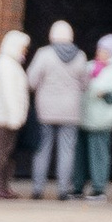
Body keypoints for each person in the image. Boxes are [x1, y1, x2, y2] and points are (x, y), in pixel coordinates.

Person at [26, 17, 88, 201]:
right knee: (67, 150)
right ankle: (63, 190)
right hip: (70, 110)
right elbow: (85, 83)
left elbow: (31, 80)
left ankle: (38, 189)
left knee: (42, 148)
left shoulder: (44, 54)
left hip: (45, 109)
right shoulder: (81, 56)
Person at [79, 32, 112, 198]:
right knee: (79, 156)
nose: (99, 53)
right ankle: (77, 186)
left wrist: (110, 114)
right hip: (83, 118)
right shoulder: (88, 67)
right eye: (99, 49)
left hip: (101, 121)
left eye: (104, 50)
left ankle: (98, 188)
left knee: (99, 156)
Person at [0, 27, 31, 200]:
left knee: (7, 153)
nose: (24, 51)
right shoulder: (4, 63)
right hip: (5, 118)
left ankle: (3, 185)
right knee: (1, 154)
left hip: (11, 117)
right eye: (23, 47)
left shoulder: (11, 63)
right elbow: (7, 93)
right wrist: (14, 115)